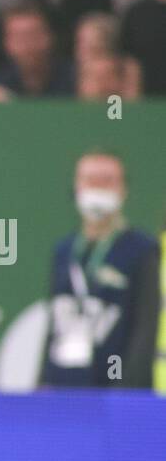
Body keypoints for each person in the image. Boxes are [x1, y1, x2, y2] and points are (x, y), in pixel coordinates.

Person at [41, 150, 160, 389]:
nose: (98, 188)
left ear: (123, 189)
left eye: (107, 180)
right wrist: (42, 382)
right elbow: (53, 324)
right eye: (90, 179)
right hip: (63, 386)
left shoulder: (141, 249)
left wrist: (126, 393)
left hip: (113, 391)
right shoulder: (64, 250)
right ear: (76, 187)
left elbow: (145, 331)